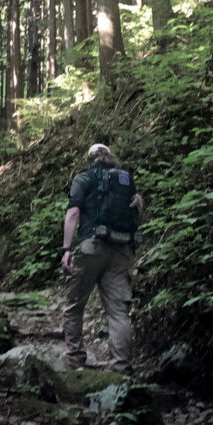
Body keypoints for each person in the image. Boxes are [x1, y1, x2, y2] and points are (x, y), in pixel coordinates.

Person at [60, 143, 144, 372]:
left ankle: (74, 359)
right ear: (110, 157)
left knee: (74, 306)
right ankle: (120, 366)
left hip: (90, 248)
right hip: (121, 250)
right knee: (118, 312)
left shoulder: (83, 178)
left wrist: (66, 249)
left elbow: (74, 212)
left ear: (90, 159)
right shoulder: (125, 180)